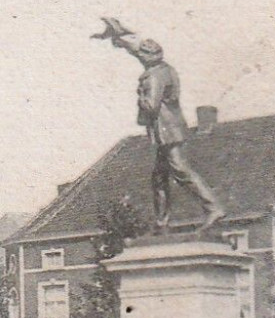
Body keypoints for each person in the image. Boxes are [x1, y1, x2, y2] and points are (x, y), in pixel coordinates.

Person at [95, 17, 225, 231]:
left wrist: (139, 95)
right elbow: (137, 49)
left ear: (148, 58)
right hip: (170, 129)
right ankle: (161, 222)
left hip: (167, 131)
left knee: (180, 169)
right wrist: (119, 35)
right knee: (159, 177)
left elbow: (151, 106)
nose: (138, 55)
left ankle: (213, 207)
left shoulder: (154, 76)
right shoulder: (165, 68)